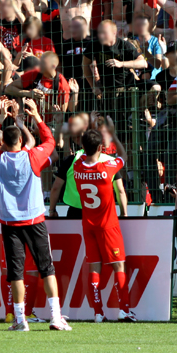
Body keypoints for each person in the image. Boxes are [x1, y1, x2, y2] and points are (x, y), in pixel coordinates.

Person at [0, 98, 71, 332]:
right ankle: (55, 317)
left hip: (10, 223)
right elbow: (51, 141)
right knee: (46, 268)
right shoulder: (32, 157)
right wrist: (36, 116)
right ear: (21, 140)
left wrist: (0, 117)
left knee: (16, 273)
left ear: (3, 142)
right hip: (34, 220)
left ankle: (20, 320)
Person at [73, 127, 134, 322]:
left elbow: (81, 156)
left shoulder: (78, 167)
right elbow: (123, 155)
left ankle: (98, 313)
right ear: (100, 147)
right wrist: (114, 135)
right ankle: (124, 310)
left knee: (94, 268)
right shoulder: (106, 169)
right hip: (108, 225)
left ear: (83, 147)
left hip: (88, 225)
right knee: (119, 265)